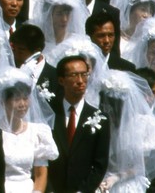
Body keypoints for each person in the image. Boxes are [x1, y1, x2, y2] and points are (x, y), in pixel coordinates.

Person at [47, 54, 110, 193]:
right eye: (74, 75)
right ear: (61, 80)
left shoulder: (100, 118)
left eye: (84, 74)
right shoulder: (49, 113)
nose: (81, 81)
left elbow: (100, 164)